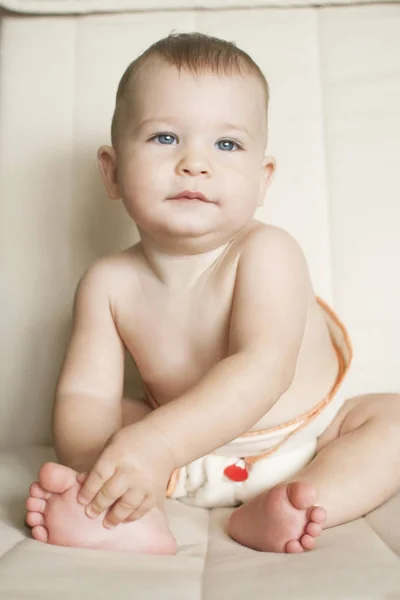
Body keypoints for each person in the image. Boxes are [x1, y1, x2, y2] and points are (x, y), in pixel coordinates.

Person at [25, 32, 400, 554]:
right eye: (164, 138)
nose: (194, 163)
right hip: (172, 461)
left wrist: (159, 442)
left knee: (392, 422)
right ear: (112, 172)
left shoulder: (267, 252)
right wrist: (108, 466)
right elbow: (84, 397)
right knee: (101, 420)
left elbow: (264, 367)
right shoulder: (107, 284)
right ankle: (128, 513)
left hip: (304, 443)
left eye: (226, 144)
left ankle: (304, 501)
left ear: (262, 178)